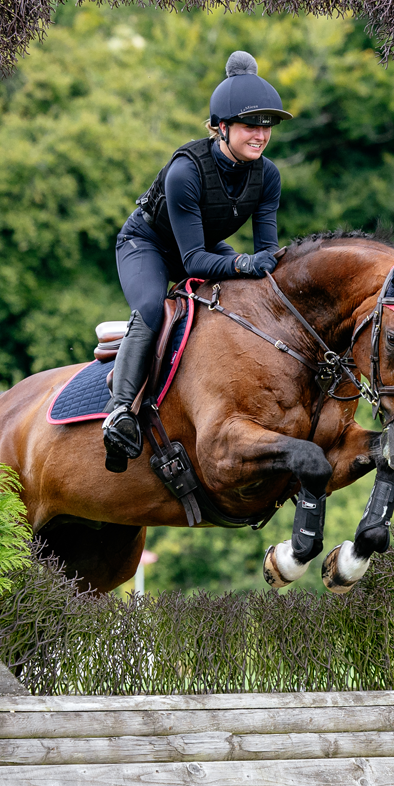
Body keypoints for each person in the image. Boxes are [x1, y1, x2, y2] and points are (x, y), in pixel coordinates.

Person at [102, 51, 293, 473]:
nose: (261, 135)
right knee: (152, 308)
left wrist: (266, 273)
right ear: (221, 127)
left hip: (204, 247)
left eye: (266, 126)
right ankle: (119, 413)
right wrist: (243, 265)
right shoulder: (186, 171)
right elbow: (192, 261)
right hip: (149, 245)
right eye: (250, 125)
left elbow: (267, 254)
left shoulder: (268, 176)